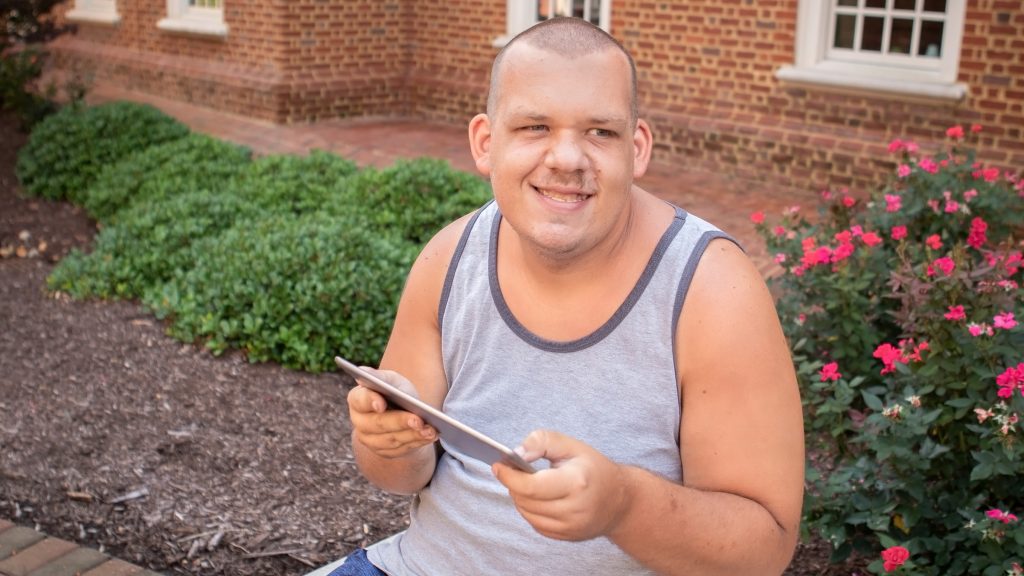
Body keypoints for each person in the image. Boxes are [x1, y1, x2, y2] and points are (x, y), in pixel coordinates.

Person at [309, 16, 804, 576]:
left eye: (600, 132)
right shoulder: (449, 256)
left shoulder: (713, 289)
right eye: (535, 127)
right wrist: (388, 442)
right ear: (485, 143)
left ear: (637, 148)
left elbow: (765, 549)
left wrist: (623, 504)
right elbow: (399, 476)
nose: (567, 158)